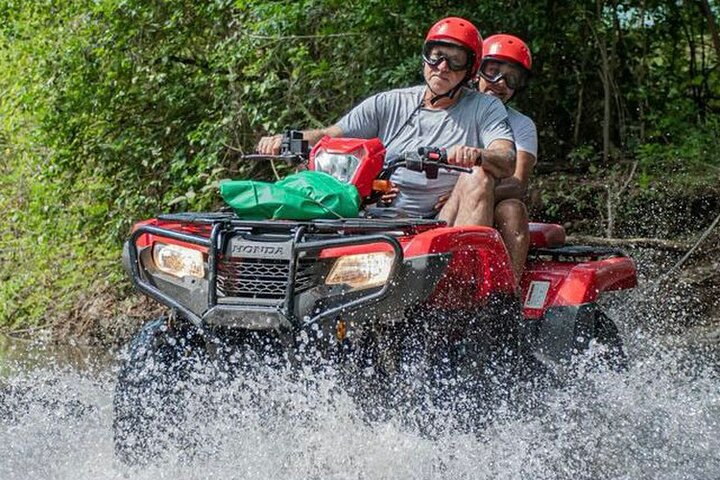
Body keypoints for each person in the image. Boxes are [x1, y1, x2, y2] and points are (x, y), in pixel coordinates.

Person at [257, 17, 516, 227]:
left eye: (455, 60)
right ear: (425, 58)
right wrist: (285, 140)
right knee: (305, 176)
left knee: (479, 177)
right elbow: (330, 134)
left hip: (441, 222)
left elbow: (506, 158)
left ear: (469, 68)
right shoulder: (388, 102)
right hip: (374, 216)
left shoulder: (485, 107)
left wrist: (477, 155)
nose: (442, 66)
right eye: (436, 55)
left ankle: (466, 286)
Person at [476, 34, 537, 286]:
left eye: (511, 78)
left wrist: (476, 191)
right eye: (493, 72)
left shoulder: (521, 125)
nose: (500, 83)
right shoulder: (450, 106)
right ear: (476, 70)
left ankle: (505, 302)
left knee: (512, 209)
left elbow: (518, 183)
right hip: (429, 201)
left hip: (489, 203)